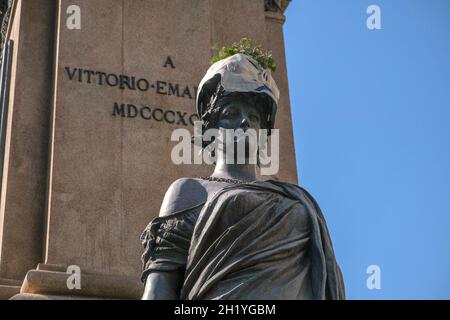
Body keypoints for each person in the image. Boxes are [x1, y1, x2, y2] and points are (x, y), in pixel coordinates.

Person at [141, 53, 345, 300]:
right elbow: (159, 288)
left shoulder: (297, 199)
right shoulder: (190, 190)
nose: (245, 121)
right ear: (211, 130)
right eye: (230, 113)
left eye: (255, 117)